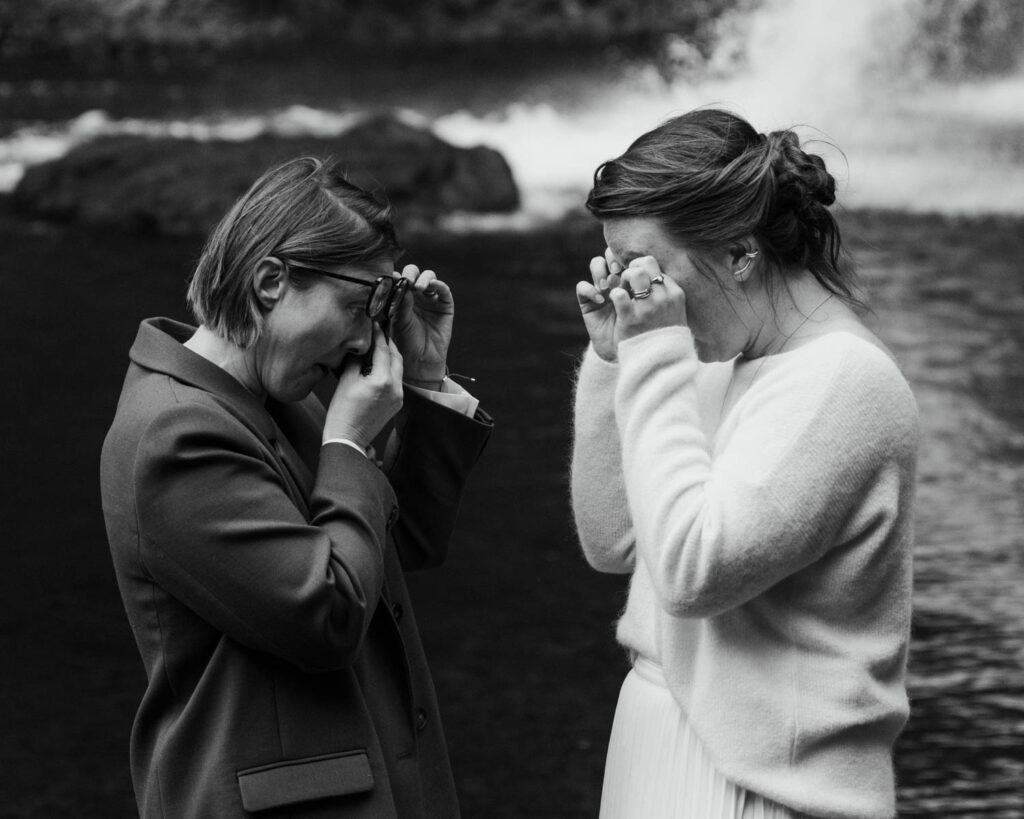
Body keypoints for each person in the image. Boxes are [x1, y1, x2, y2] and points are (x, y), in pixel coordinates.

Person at [100, 156, 492, 818]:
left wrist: (423, 382)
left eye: (380, 308)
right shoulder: (174, 434)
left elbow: (398, 547)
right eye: (357, 305)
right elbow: (330, 614)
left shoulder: (287, 398)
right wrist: (346, 443)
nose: (365, 341)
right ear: (271, 280)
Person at [570, 108, 919, 819]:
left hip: (766, 782)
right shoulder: (710, 353)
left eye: (649, 267)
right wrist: (616, 360)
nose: (639, 293)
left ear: (739, 253)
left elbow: (693, 571)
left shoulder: (845, 382)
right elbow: (613, 541)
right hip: (656, 742)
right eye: (622, 267)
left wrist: (655, 357)